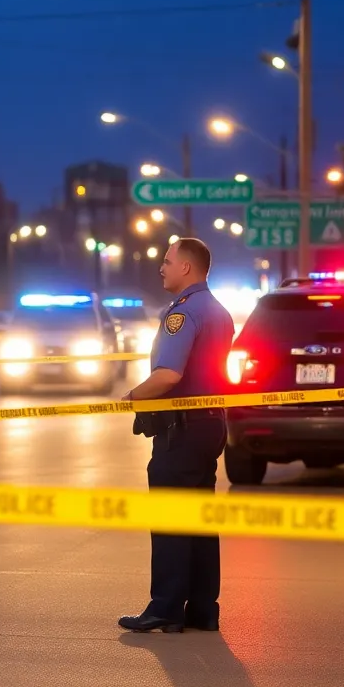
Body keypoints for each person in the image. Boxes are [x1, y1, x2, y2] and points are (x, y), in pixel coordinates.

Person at [118, 238, 234, 633]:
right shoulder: (217, 310)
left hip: (181, 431)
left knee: (170, 517)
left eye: (167, 262)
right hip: (210, 424)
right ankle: (203, 609)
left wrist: (130, 399)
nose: (161, 268)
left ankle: (165, 606)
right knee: (200, 519)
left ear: (186, 267)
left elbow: (169, 374)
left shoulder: (181, 314)